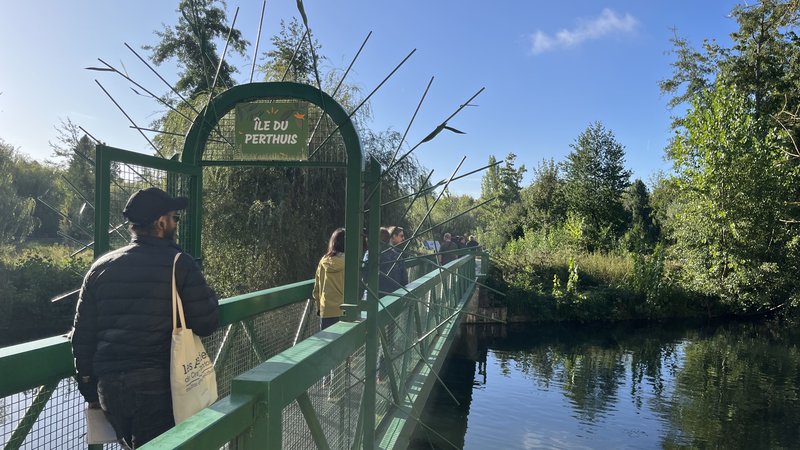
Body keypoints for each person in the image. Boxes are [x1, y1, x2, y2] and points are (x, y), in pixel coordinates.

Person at [71, 187, 219, 449]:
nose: (175, 223)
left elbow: (82, 335)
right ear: (161, 223)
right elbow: (206, 323)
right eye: (174, 217)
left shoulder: (100, 267)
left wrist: (89, 389)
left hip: (111, 387)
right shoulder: (179, 263)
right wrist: (209, 295)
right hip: (160, 386)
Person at [312, 228, 346, 329]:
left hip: (326, 309)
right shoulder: (350, 262)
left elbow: (316, 290)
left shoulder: (323, 261)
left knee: (329, 342)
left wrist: (319, 308)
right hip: (345, 309)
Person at [380, 226, 408, 296]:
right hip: (392, 296)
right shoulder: (397, 256)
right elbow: (404, 280)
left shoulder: (369, 254)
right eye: (401, 236)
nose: (403, 238)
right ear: (393, 236)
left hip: (371, 298)